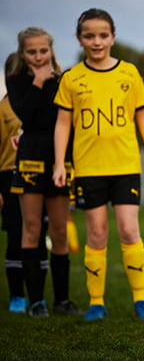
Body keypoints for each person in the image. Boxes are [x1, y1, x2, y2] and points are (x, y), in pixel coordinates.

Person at [53, 8, 144, 321]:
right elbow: (62, 124)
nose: (96, 41)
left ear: (112, 37)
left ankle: (141, 299)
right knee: (96, 234)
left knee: (129, 229)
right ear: (79, 39)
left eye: (102, 35)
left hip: (125, 165)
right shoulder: (72, 78)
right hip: (87, 169)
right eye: (89, 36)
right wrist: (60, 164)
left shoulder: (129, 73)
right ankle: (96, 302)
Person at [7, 27, 80, 317]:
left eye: (43, 50)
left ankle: (61, 301)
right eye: (31, 51)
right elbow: (24, 115)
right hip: (29, 160)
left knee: (60, 231)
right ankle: (35, 302)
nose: (38, 56)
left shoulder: (64, 80)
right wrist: (37, 82)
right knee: (32, 229)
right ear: (22, 54)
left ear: (51, 50)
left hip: (60, 160)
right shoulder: (16, 81)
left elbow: (66, 120)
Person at [1, 52, 51, 314]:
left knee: (39, 233)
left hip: (38, 174)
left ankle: (38, 295)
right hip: (9, 176)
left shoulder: (40, 102)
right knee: (16, 235)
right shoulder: (3, 108)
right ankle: (16, 296)